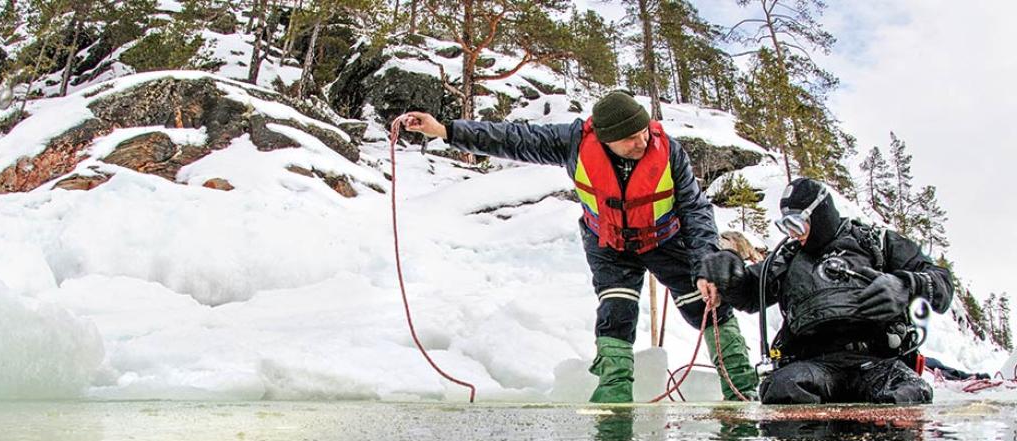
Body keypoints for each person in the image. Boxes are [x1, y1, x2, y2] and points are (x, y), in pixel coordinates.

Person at [399, 91, 758, 403]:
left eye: (644, 131)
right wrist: (445, 130)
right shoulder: (573, 142)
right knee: (616, 314)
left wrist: (705, 266)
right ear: (605, 139)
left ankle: (742, 388)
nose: (642, 141)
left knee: (708, 305)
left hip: (665, 240)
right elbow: (513, 138)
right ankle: (614, 393)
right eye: (631, 138)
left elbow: (695, 210)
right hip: (609, 244)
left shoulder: (670, 152)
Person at [699, 177, 954, 404]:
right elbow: (750, 293)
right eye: (785, 226)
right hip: (813, 367)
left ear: (819, 213)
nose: (792, 234)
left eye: (797, 224)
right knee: (781, 390)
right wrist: (728, 269)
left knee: (909, 393)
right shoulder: (786, 260)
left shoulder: (877, 242)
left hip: (877, 363)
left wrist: (905, 286)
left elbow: (942, 282)